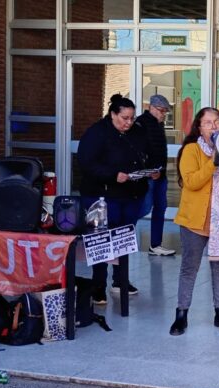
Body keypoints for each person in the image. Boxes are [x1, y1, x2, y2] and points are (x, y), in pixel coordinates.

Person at [169, 107, 219, 336]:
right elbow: (191, 182)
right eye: (208, 122)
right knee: (189, 268)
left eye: (217, 122)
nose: (213, 126)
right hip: (195, 220)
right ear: (199, 127)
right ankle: (181, 313)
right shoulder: (191, 150)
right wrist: (214, 161)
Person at [77, 94, 158, 304]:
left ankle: (120, 281)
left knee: (123, 239)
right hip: (102, 196)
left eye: (131, 118)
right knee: (101, 241)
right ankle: (98, 285)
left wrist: (151, 170)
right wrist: (113, 175)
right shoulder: (97, 133)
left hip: (131, 194)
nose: (128, 123)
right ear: (112, 114)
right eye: (124, 118)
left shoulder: (137, 132)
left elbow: (148, 154)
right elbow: (86, 163)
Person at [136, 94, 175, 256]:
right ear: (151, 107)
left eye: (165, 111)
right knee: (143, 208)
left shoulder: (159, 125)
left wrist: (160, 171)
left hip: (161, 175)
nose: (163, 114)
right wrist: (149, 171)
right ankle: (120, 236)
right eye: (161, 110)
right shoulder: (140, 124)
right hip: (148, 177)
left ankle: (156, 245)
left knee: (160, 208)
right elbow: (138, 152)